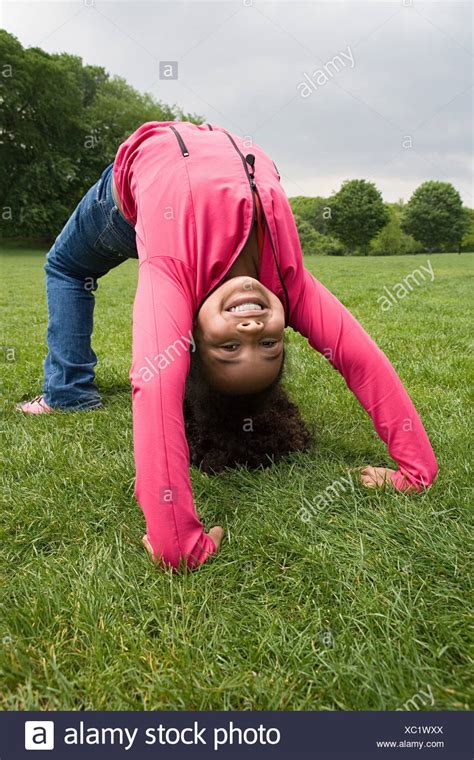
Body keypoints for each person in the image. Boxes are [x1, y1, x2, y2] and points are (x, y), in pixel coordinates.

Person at [18, 121, 438, 571]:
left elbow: (155, 386)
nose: (253, 325)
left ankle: (68, 393)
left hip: (133, 195)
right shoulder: (287, 282)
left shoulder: (172, 272)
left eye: (231, 348)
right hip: (205, 150)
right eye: (270, 343)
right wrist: (416, 473)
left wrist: (176, 539)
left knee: (64, 268)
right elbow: (363, 363)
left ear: (191, 335)